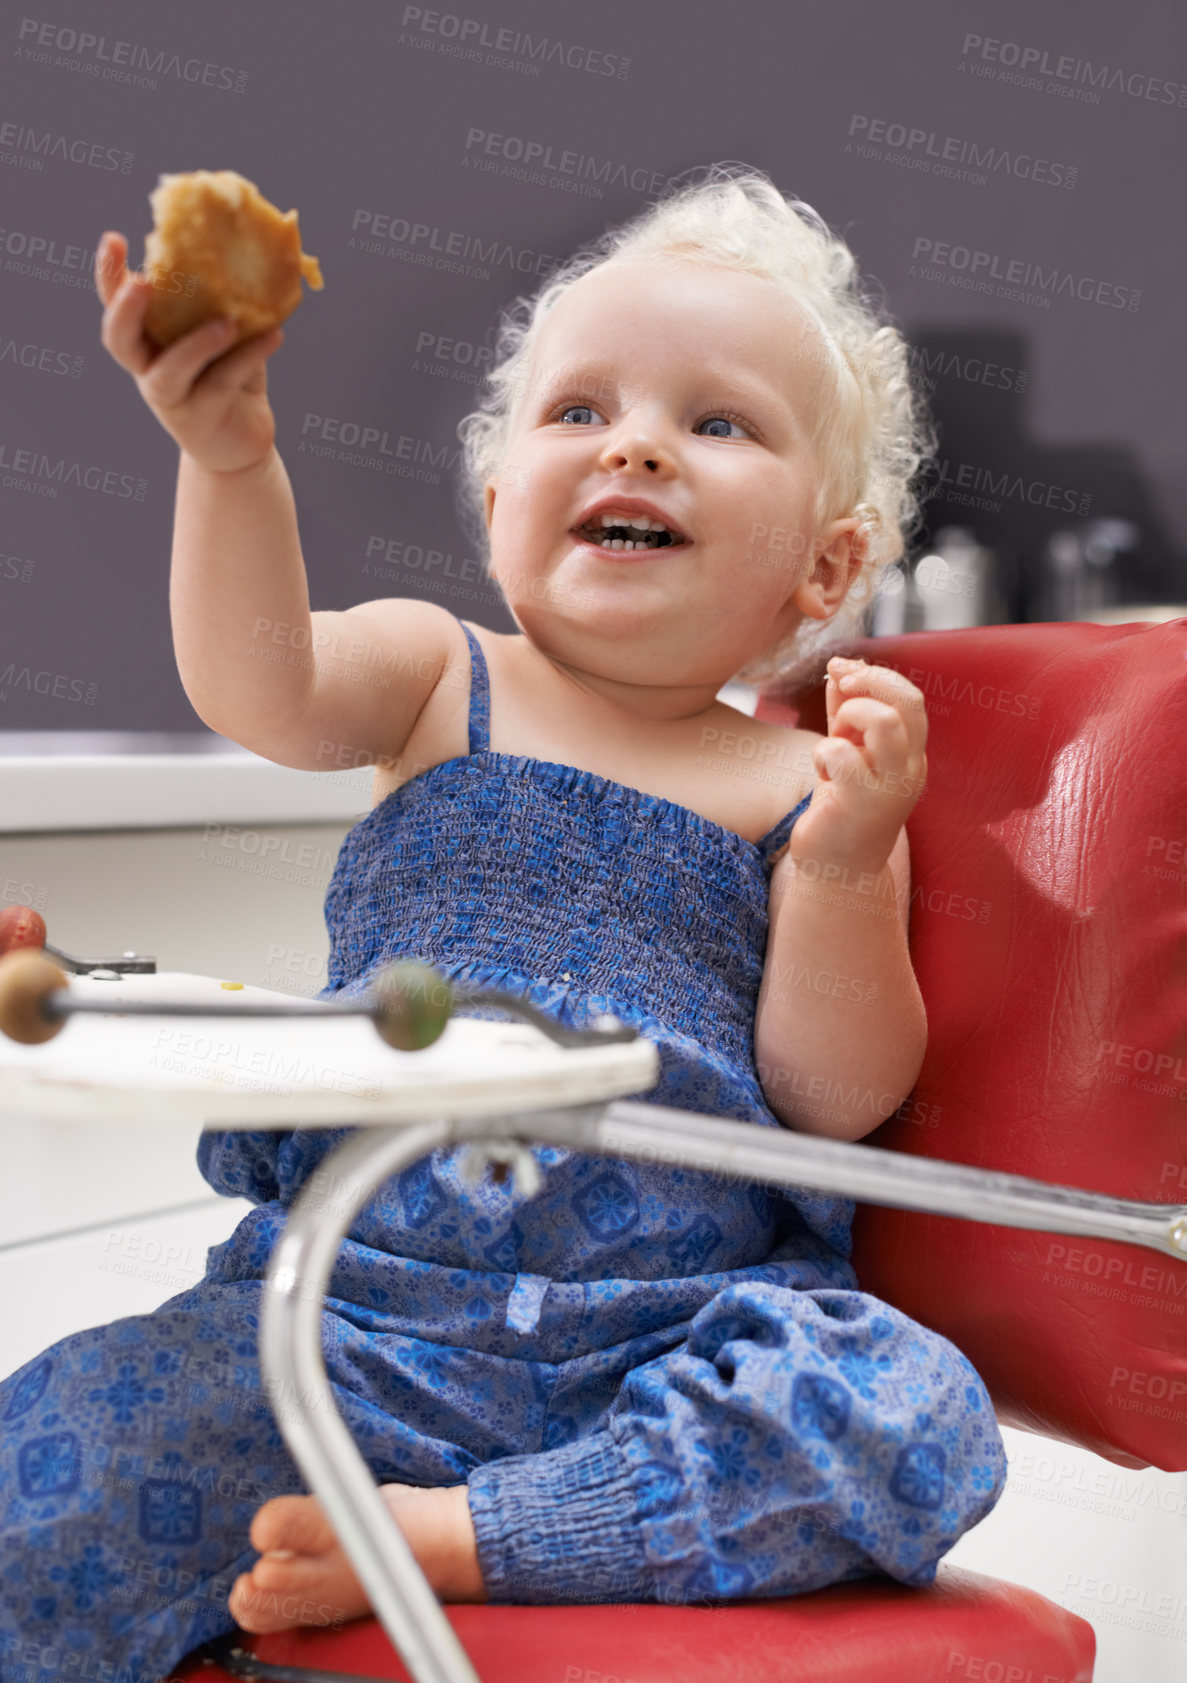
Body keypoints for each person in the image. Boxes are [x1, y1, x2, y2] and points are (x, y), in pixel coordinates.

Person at [0, 164, 1007, 1678]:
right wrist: (229, 465)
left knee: (909, 1417)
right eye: (579, 411)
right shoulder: (436, 676)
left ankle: (456, 1533)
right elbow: (257, 682)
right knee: (57, 1442)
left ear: (831, 563)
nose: (640, 446)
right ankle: (376, 1500)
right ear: (496, 507)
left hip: (661, 1334)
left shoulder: (809, 783)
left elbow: (830, 1095)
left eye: (717, 423)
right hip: (346, 1314)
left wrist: (855, 860)